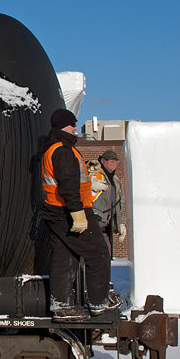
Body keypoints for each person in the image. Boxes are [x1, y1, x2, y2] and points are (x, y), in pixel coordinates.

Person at [40, 108, 116, 321]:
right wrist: (78, 214)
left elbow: (67, 181)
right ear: (63, 125)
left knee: (64, 258)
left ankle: (62, 305)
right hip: (69, 212)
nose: (75, 128)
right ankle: (98, 303)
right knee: (98, 254)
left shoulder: (52, 148)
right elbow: (68, 186)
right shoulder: (63, 150)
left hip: (55, 211)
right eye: (73, 124)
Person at [91, 150, 127, 257]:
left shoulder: (116, 182)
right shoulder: (95, 174)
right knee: (96, 256)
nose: (113, 162)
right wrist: (89, 185)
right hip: (94, 221)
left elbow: (119, 205)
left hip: (107, 226)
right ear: (102, 161)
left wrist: (121, 223)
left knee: (106, 255)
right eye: (110, 160)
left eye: (115, 160)